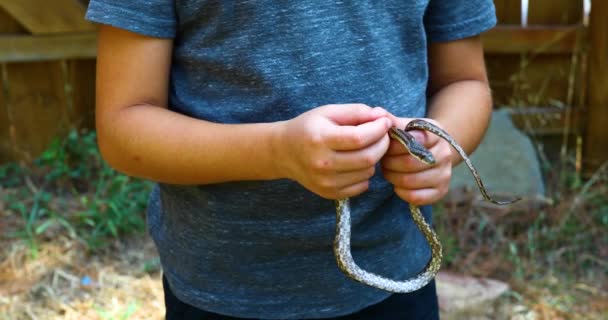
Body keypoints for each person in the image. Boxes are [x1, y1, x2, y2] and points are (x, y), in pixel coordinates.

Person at [86, 1, 496, 319]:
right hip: (225, 292)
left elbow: (465, 82)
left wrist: (440, 142)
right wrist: (277, 151)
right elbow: (124, 126)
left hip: (396, 280)